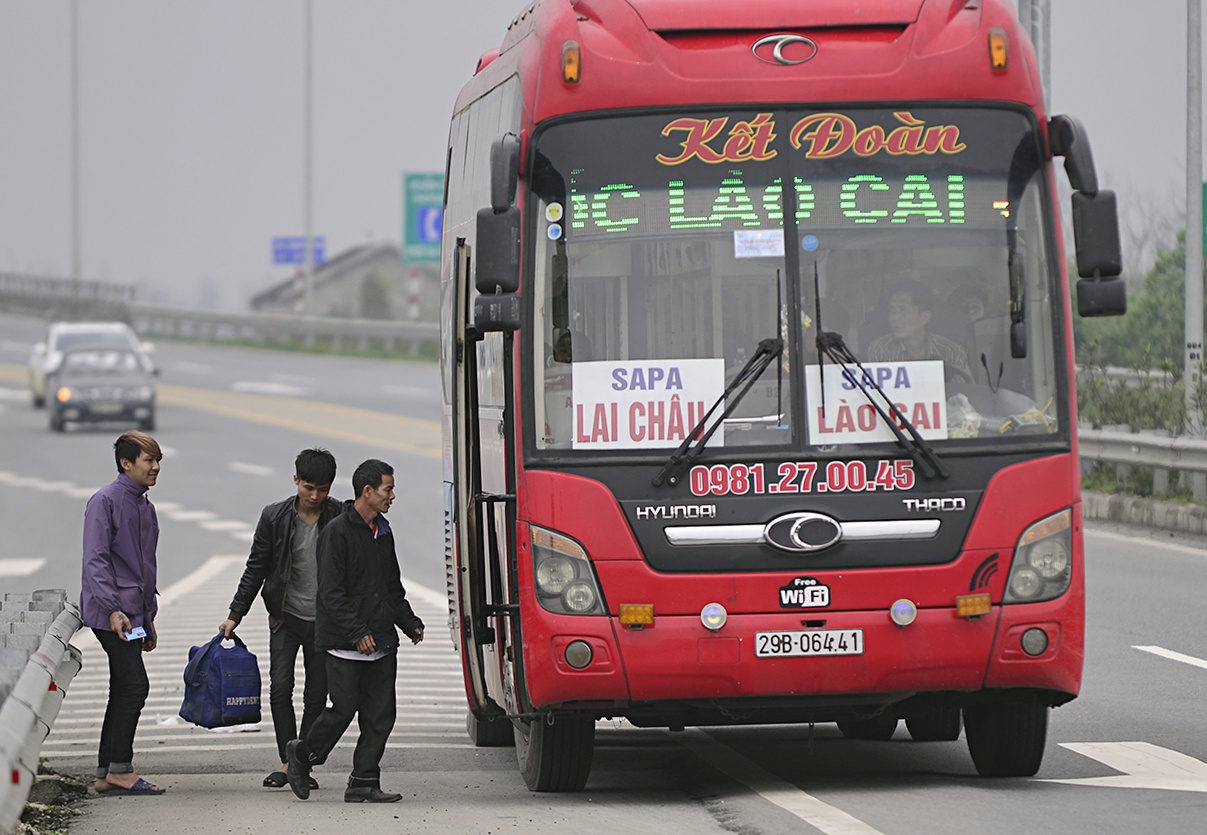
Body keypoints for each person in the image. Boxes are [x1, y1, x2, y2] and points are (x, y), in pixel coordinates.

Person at [286, 459, 425, 804]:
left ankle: (363, 781)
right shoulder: (337, 532)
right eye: (387, 489)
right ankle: (303, 755)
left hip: (381, 642)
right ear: (367, 491)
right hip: (345, 644)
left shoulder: (383, 531)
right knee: (342, 709)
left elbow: (391, 587)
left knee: (381, 715)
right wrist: (356, 632)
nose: (392, 496)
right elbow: (330, 592)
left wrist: (409, 623)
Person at [218, 448, 342, 791]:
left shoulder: (339, 516)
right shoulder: (274, 517)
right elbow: (256, 567)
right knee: (280, 688)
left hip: (325, 623)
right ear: (295, 481)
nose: (315, 496)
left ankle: (301, 763)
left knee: (316, 695)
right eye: (308, 488)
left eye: (323, 489)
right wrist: (234, 615)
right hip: (285, 617)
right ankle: (287, 761)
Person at [80, 430, 165, 796]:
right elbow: (95, 561)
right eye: (149, 460)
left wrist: (148, 618)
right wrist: (115, 610)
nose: (156, 467)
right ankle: (121, 769)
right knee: (135, 685)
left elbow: (145, 567)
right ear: (125, 463)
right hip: (110, 616)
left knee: (122, 687)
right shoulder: (105, 501)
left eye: (158, 460)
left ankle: (106, 771)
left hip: (132, 617)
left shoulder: (145, 506)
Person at [868, 281, 973, 383]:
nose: (893, 318)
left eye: (903, 310)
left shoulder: (952, 352)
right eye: (891, 311)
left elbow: (964, 396)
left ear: (925, 317)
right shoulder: (880, 350)